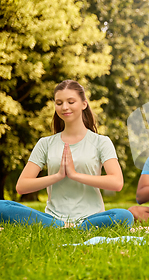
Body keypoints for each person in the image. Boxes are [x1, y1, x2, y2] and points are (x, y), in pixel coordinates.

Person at [0, 80, 133, 229]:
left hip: (92, 218)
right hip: (53, 218)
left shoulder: (101, 142)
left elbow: (116, 182)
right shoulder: (45, 143)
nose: (64, 107)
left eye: (71, 102)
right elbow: (22, 186)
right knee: (2, 207)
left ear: (84, 104)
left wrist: (74, 175)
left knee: (124, 216)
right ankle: (63, 226)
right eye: (59, 103)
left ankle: (74, 227)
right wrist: (57, 176)